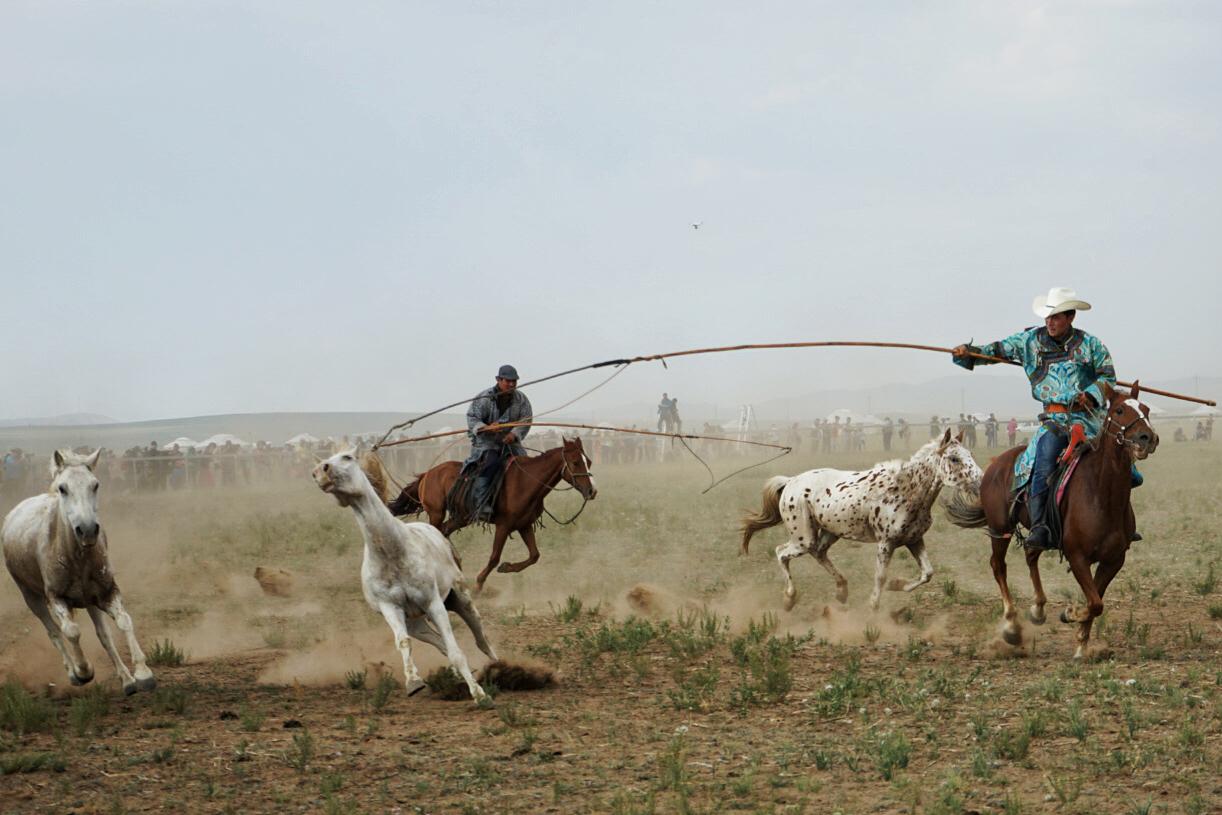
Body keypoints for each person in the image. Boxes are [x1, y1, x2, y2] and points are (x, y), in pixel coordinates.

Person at [952, 287, 1141, 550]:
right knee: (1043, 462)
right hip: (1054, 420)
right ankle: (1040, 527)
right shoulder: (1029, 341)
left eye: (1057, 317)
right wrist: (968, 352)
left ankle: (1122, 524)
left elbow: (1107, 376)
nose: (1050, 322)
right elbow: (996, 351)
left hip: (1089, 419)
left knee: (1124, 468)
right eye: (1048, 317)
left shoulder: (1091, 345)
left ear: (1071, 317)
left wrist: (1090, 394)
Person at [465, 364, 533, 521]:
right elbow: (472, 417)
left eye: (514, 381)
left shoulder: (521, 399)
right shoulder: (484, 398)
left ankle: (525, 502)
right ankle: (481, 503)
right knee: (492, 462)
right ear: (498, 380)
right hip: (486, 443)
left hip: (511, 443)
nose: (511, 384)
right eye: (507, 381)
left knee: (525, 464)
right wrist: (486, 428)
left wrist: (514, 434)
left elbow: (526, 420)